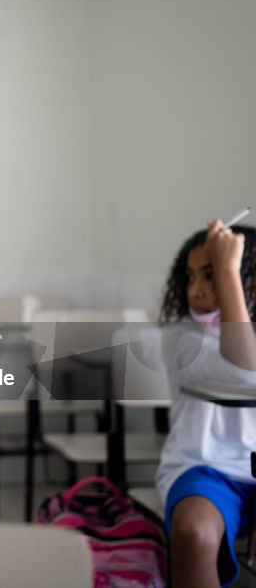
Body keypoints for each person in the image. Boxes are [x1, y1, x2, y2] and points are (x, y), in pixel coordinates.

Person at [156, 219, 256, 588]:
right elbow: (245, 372)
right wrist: (229, 270)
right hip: (204, 468)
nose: (196, 290)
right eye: (190, 276)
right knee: (194, 533)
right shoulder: (182, 338)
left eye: (211, 275)